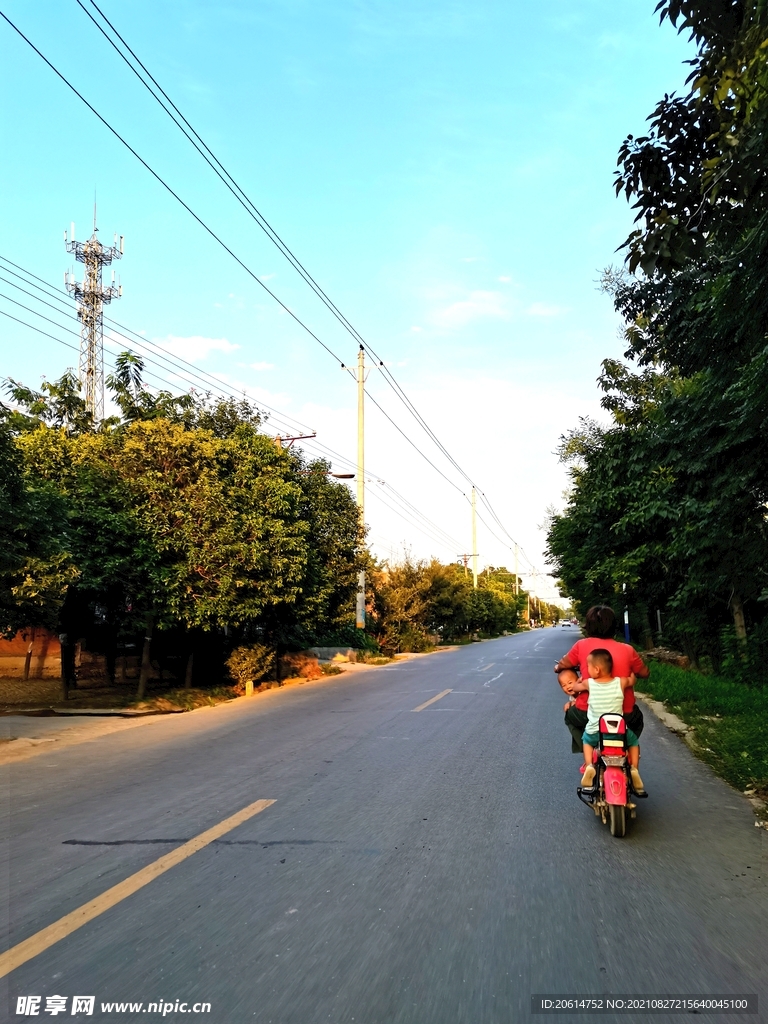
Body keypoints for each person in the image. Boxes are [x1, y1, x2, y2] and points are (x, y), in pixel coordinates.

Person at [554, 604, 648, 754]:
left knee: (569, 716)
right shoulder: (628, 649)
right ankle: (627, 749)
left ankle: (588, 749)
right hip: (624, 715)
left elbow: (565, 662)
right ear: (613, 627)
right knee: (637, 720)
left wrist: (558, 668)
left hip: (587, 713)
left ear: (588, 626)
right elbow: (644, 673)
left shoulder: (581, 645)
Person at [579, 649, 645, 794]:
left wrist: (579, 681)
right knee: (634, 743)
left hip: (596, 732)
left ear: (596, 670)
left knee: (586, 741)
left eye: (588, 666)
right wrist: (632, 673)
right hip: (618, 733)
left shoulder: (589, 683)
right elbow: (632, 679)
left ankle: (590, 765)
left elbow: (575, 688)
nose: (587, 669)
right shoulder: (620, 682)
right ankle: (634, 768)